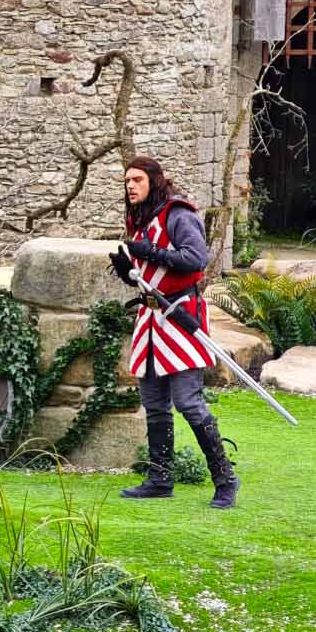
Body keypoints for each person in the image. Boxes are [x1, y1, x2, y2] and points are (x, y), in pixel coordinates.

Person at [108, 154, 240, 509]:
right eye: (127, 181)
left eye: (137, 179)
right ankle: (160, 479)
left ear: (153, 180)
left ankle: (225, 479)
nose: (130, 186)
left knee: (188, 402)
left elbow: (196, 259)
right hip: (150, 320)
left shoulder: (177, 214)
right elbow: (150, 275)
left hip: (180, 316)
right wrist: (128, 271)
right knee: (154, 404)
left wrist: (150, 251)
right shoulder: (140, 218)